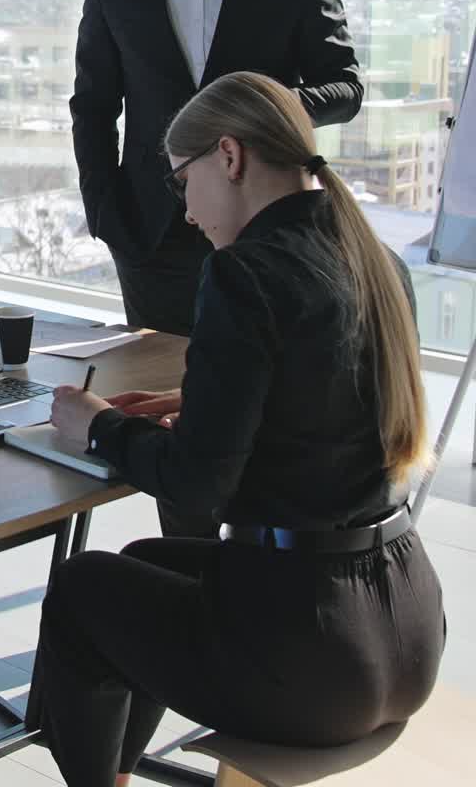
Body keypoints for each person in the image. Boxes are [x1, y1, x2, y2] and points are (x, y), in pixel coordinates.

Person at [38, 71, 445, 787]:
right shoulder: (377, 261)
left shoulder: (244, 272)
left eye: (180, 181)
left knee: (78, 592)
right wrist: (198, 401)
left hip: (312, 662)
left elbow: (197, 487)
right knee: (144, 560)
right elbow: (317, 404)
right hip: (405, 632)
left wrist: (97, 427)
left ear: (229, 157)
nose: (188, 213)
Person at [70, 0, 362, 341]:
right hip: (149, 235)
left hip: (264, 228)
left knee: (255, 404)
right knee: (156, 398)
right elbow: (93, 104)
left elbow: (345, 88)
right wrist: (104, 211)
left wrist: (268, 108)